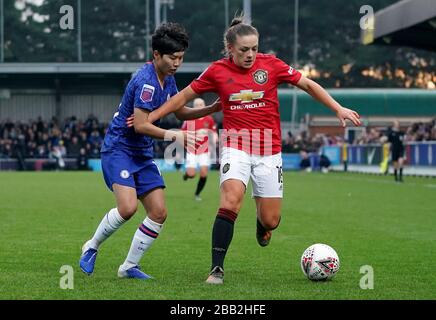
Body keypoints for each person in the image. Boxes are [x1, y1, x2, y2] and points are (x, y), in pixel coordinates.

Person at [147, 16, 361, 284]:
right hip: (236, 146)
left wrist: (338, 108)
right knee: (231, 200)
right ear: (230, 48)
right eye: (244, 50)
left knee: (271, 220)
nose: (250, 55)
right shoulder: (216, 71)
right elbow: (181, 98)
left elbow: (307, 84)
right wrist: (152, 116)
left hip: (269, 151)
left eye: (254, 49)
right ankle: (216, 268)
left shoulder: (271, 65)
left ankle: (262, 225)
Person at [79, 22, 220, 280]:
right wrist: (175, 135)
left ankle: (128, 267)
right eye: (172, 58)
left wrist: (211, 109)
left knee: (158, 212)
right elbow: (142, 125)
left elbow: (179, 111)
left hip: (141, 153)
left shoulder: (168, 78)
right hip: (119, 149)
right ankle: (91, 246)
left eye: (181, 58)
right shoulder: (146, 82)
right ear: (156, 54)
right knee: (128, 208)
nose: (177, 63)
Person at [181, 98, 218, 201]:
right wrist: (195, 134)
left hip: (205, 150)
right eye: (197, 105)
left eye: (201, 104)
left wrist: (214, 139)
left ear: (204, 105)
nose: (199, 106)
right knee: (192, 174)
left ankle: (197, 194)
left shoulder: (209, 119)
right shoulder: (189, 119)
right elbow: (181, 134)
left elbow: (214, 133)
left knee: (203, 173)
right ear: (193, 106)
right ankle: (187, 175)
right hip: (192, 150)